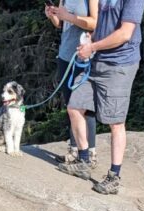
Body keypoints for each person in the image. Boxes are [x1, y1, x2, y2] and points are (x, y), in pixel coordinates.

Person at [56, 0, 144, 195]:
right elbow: (97, 24)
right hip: (96, 59)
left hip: (120, 64)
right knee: (75, 107)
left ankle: (114, 176)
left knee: (115, 122)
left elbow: (125, 33)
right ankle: (83, 160)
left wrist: (93, 46)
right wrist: (89, 42)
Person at [44, 0, 98, 166]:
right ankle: (75, 149)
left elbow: (94, 23)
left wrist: (69, 16)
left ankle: (90, 153)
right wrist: (53, 16)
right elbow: (62, 25)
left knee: (84, 106)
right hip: (65, 56)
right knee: (71, 106)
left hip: (83, 57)